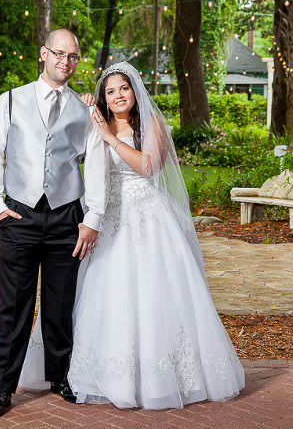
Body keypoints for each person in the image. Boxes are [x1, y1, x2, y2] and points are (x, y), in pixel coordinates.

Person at [19, 61, 245, 409]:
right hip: (107, 219)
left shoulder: (151, 124)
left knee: (156, 295)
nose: (118, 95)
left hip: (150, 219)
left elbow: (149, 166)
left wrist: (111, 138)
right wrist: (82, 113)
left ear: (134, 91)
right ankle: (94, 375)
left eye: (123, 88)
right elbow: (67, 152)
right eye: (110, 91)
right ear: (103, 98)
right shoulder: (97, 123)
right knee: (104, 295)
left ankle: (160, 378)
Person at [0, 29, 108, 419]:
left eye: (72, 56)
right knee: (13, 308)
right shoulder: (10, 100)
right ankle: (1, 389)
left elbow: (98, 164)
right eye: (58, 53)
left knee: (60, 305)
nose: (65, 61)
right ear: (43, 54)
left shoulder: (85, 110)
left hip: (67, 217)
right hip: (19, 216)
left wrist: (93, 219)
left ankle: (61, 376)